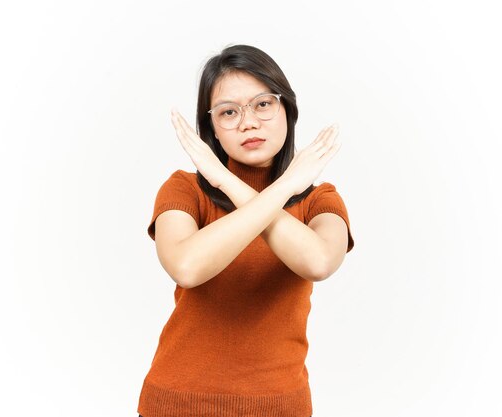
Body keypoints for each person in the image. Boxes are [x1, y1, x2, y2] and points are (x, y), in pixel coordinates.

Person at [137, 44, 355, 417]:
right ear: (213, 131)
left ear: (287, 108)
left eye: (263, 104)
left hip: (280, 407)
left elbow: (318, 262)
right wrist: (275, 187)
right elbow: (187, 268)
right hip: (176, 404)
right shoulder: (184, 189)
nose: (248, 122)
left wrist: (238, 182)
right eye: (228, 113)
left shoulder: (319, 199)